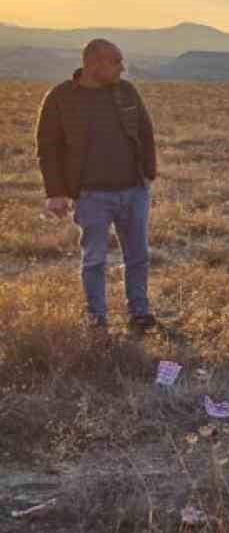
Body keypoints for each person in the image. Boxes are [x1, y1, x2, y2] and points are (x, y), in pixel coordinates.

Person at [36, 39, 159, 331]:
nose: (122, 68)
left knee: (138, 256)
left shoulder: (126, 91)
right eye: (116, 62)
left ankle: (139, 313)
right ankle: (97, 319)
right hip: (91, 195)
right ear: (94, 64)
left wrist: (148, 174)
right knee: (94, 259)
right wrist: (55, 193)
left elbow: (145, 131)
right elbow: (48, 148)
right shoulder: (61, 97)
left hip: (134, 190)